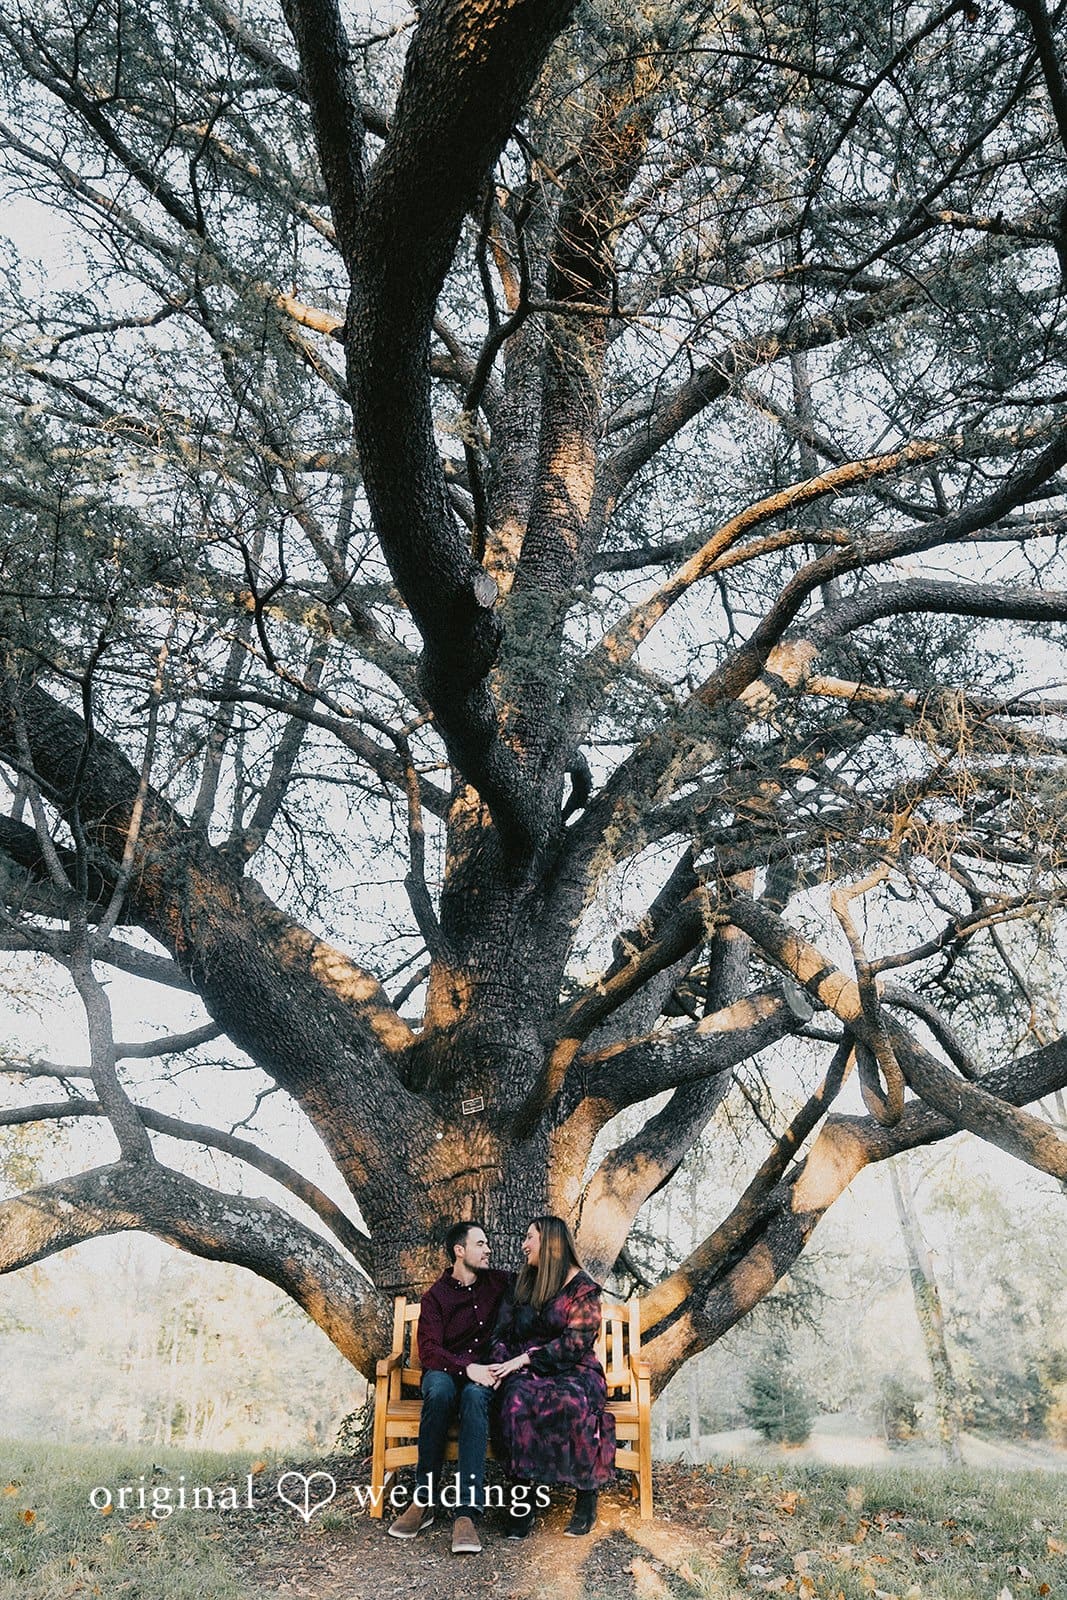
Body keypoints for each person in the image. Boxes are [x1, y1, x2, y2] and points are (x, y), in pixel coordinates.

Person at [488, 1215, 615, 1538]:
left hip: (574, 1369)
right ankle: (523, 1501)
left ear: (550, 1244)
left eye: (530, 1238)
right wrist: (502, 1366)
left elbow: (576, 1343)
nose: (523, 1245)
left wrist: (526, 1358)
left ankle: (586, 1495)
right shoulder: (522, 1284)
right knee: (515, 1398)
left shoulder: (583, 1289)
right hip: (524, 1370)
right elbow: (500, 1334)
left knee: (571, 1401)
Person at [388, 1221, 510, 1555]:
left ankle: (466, 1513)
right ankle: (423, 1499)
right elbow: (429, 1351)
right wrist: (466, 1367)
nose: (488, 1250)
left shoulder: (499, 1283)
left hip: (481, 1376)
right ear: (460, 1250)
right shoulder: (435, 1297)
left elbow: (538, 1286)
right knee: (439, 1391)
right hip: (444, 1371)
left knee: (474, 1397)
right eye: (481, 1244)